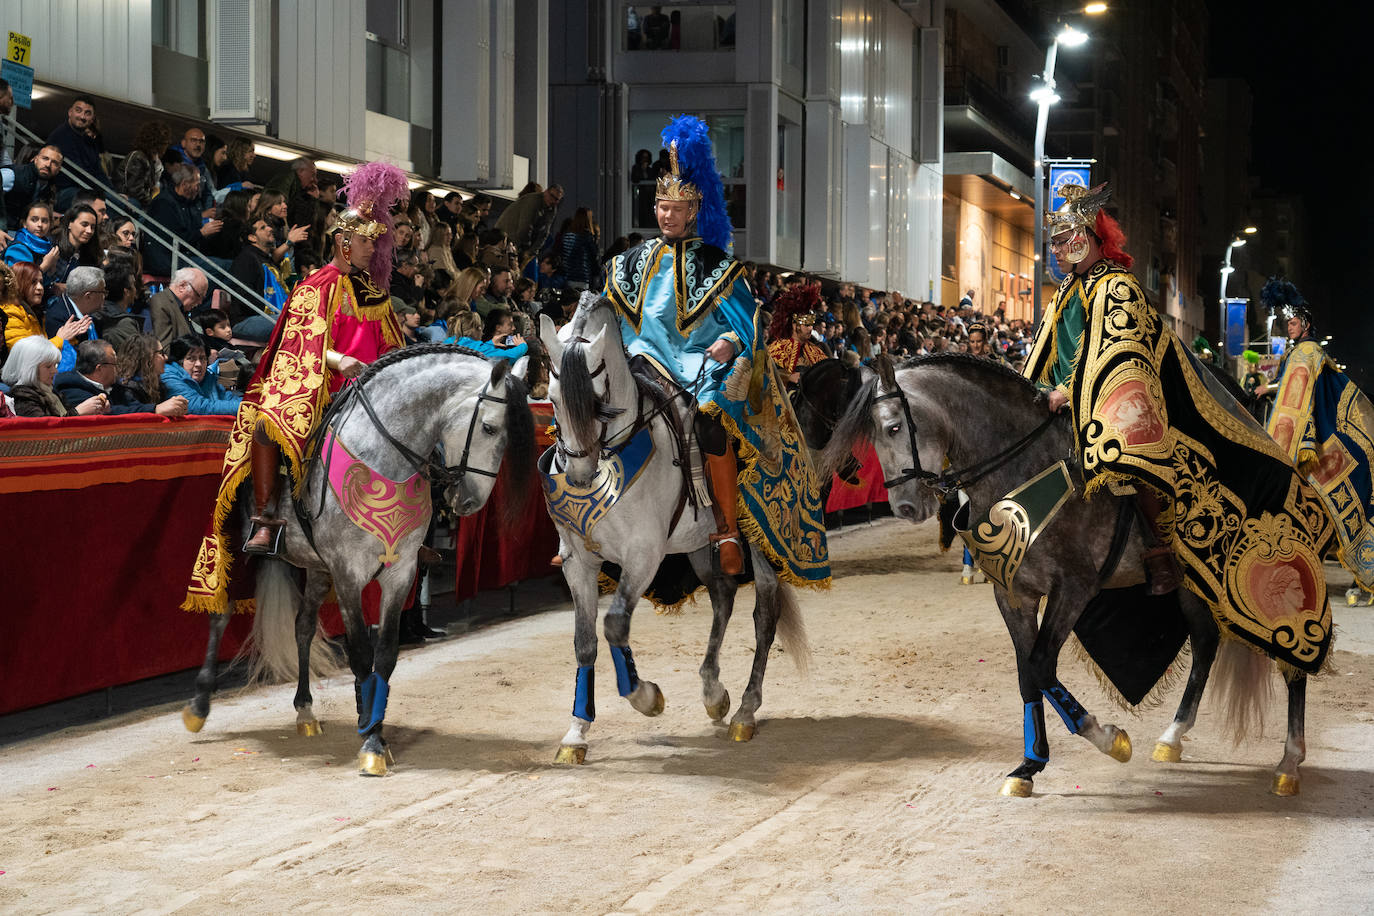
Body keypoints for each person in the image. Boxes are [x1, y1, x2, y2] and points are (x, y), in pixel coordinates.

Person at [1021, 183, 1337, 665]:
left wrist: (1071, 390)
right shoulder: (1066, 291)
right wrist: (1025, 394)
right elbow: (1044, 350)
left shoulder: (1118, 286)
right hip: (1064, 400)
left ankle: (1159, 553)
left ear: (1090, 235)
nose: (1061, 249)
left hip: (1115, 398)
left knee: (1122, 455)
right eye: (1056, 241)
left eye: (1068, 238)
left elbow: (1115, 350)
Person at [600, 115, 829, 587]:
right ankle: (584, 526)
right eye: (661, 206)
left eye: (676, 209)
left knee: (709, 419)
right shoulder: (630, 261)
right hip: (640, 359)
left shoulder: (718, 265)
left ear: (693, 210)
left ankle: (725, 530)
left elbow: (748, 323)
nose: (666, 215)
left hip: (699, 365)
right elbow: (614, 318)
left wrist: (729, 341)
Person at [183, 161, 410, 611]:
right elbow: (298, 341)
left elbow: (389, 345)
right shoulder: (314, 287)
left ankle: (414, 521)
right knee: (271, 423)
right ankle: (266, 517)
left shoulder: (374, 295)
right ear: (345, 242)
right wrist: (338, 358)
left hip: (367, 390)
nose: (373, 249)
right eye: (367, 242)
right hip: (317, 383)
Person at [1258, 278, 1374, 606]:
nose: (1290, 328)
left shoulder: (1305, 353)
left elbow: (1296, 402)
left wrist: (1276, 448)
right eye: (1288, 324)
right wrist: (1269, 390)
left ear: (1305, 324)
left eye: (1294, 323)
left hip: (1313, 442)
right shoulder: (1310, 352)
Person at [143, 164, 222, 278]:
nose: (198, 189)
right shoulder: (164, 204)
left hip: (186, 256)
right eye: (197, 185)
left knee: (227, 265)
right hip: (168, 259)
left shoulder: (190, 204)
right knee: (223, 268)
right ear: (184, 184)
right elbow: (174, 240)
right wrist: (201, 233)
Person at [1, 334, 108, 417]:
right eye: (48, 366)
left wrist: (94, 410)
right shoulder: (22, 397)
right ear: (29, 369)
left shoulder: (51, 392)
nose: (55, 371)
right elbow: (44, 433)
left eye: (55, 365)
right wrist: (78, 412)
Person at [3, 261, 86, 356]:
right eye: (33, 282)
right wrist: (61, 338)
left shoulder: (34, 312)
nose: (40, 287)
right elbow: (27, 355)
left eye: (41, 282)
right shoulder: (10, 313)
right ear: (18, 284)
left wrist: (70, 336)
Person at [45, 97, 112, 208]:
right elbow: (79, 173)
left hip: (84, 189)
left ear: (92, 118)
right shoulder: (60, 135)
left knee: (131, 203)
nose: (82, 117)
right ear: (70, 112)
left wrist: (115, 193)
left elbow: (98, 172)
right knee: (102, 202)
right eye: (78, 110)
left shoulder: (89, 142)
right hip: (62, 192)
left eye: (87, 113)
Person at [159, 333, 242, 415]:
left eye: (202, 358)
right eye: (191, 359)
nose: (198, 364)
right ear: (179, 361)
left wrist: (251, 404)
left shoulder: (208, 376)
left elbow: (226, 397)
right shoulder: (168, 376)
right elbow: (199, 407)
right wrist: (245, 408)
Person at [765, 284, 828, 388]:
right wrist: (787, 377)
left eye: (812, 325)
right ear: (795, 324)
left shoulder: (815, 351)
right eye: (807, 325)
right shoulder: (777, 349)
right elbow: (764, 374)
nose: (810, 328)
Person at [495, 183, 563, 266]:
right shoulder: (533, 201)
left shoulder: (552, 210)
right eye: (551, 196)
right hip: (506, 239)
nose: (553, 200)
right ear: (546, 192)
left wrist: (532, 251)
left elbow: (544, 233)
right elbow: (524, 228)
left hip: (518, 244)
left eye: (556, 199)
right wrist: (527, 250)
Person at [2, 146, 62, 232]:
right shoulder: (12, 174)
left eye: (54, 163)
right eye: (45, 158)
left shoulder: (49, 186)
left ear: (58, 169)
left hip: (20, 233)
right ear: (35, 159)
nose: (48, 164)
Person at [150, 267, 209, 348]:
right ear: (182, 286)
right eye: (198, 295)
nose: (200, 302)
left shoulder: (182, 308)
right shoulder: (161, 303)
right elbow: (164, 348)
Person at [120, 120, 172, 209]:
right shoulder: (138, 157)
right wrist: (152, 205)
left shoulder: (151, 161)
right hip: (128, 201)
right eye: (165, 142)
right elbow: (134, 190)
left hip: (138, 202)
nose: (166, 146)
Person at [4, 202, 59, 273]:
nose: (40, 224)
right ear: (24, 223)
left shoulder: (47, 247)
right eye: (34, 220)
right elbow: (21, 281)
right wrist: (45, 265)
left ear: (50, 224)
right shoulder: (18, 248)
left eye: (44, 221)